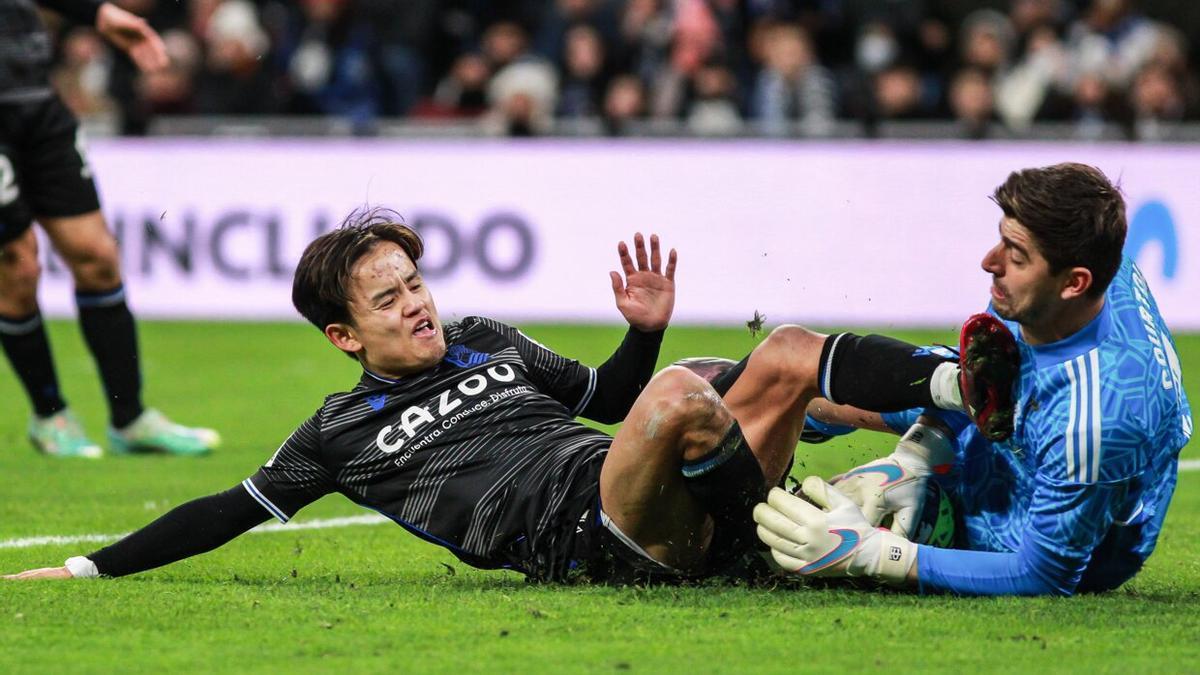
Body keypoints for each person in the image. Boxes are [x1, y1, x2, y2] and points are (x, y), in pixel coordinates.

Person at [4, 210, 1015, 583]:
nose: (418, 306)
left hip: (632, 475)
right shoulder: (339, 433)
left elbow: (611, 399)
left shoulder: (484, 339)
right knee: (689, 394)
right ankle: (791, 532)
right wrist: (91, 567)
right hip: (586, 538)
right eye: (388, 299)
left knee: (776, 352)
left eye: (416, 284)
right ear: (343, 335)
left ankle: (956, 392)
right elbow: (228, 511)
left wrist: (645, 329)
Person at [756, 162, 1192, 596]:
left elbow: (1044, 574)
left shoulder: (1096, 421)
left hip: (1051, 525)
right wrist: (922, 449)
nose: (989, 263)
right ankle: (760, 424)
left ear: (1074, 284)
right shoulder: (1080, 273)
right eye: (1002, 241)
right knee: (803, 368)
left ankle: (931, 511)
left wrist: (875, 554)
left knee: (812, 528)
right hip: (1028, 431)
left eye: (1015, 257)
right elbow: (988, 375)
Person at [1, 0, 219, 457]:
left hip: (34, 96)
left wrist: (97, 13)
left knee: (97, 257)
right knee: (17, 267)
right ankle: (50, 416)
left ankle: (130, 418)